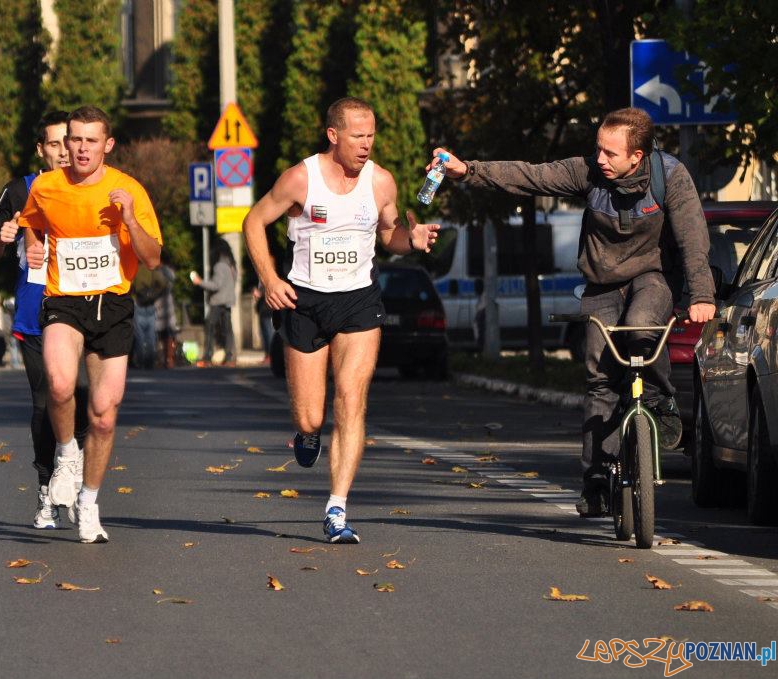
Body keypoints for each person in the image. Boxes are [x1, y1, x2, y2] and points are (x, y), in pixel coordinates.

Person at [431, 107, 716, 517]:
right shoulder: (589, 172)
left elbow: (693, 241)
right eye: (598, 149)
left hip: (652, 276)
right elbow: (532, 176)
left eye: (610, 153)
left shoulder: (670, 175)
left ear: (636, 157)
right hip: (602, 283)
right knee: (599, 377)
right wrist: (468, 170)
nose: (599, 158)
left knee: (640, 329)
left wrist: (701, 295)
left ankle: (659, 399)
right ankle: (596, 479)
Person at [242, 96, 440, 543]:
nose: (366, 144)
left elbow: (391, 234)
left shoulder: (381, 182)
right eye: (357, 136)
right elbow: (254, 222)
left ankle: (336, 508)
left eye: (371, 135)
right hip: (305, 301)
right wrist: (270, 280)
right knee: (311, 417)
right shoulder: (300, 178)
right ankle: (306, 435)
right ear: (333, 135)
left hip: (358, 300)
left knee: (351, 399)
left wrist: (416, 238)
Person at [19, 105, 162, 544]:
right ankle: (66, 454)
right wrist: (33, 246)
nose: (80, 149)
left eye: (90, 141)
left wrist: (131, 218)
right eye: (73, 140)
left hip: (113, 305)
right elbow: (31, 222)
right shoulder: (46, 186)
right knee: (60, 385)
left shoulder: (127, 188)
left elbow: (153, 258)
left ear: (107, 145)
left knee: (103, 415)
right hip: (64, 302)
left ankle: (89, 502)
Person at [0, 110, 89, 530]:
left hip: (83, 313)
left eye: (70, 141)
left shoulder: (94, 190)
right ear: (41, 150)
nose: (65, 151)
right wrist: (4, 238)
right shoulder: (17, 190)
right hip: (35, 313)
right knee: (46, 402)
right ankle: (47, 489)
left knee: (83, 398)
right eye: (55, 144)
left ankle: (77, 480)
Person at [191, 237, 237, 367]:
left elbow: (215, 285)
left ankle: (207, 357)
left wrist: (199, 282)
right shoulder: (231, 265)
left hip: (218, 302)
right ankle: (230, 357)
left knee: (210, 328)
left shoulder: (219, 266)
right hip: (228, 301)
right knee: (228, 330)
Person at [130, 265, 167, 369]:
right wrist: (155, 294)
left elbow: (129, 285)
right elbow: (163, 283)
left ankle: (140, 362)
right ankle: (150, 363)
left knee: (139, 337)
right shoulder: (151, 270)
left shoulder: (135, 269)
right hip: (150, 305)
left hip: (138, 304)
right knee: (151, 336)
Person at [155, 249, 179, 368]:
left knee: (161, 334)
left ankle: (165, 359)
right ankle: (169, 359)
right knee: (168, 334)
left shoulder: (160, 271)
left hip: (159, 304)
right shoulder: (170, 271)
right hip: (167, 304)